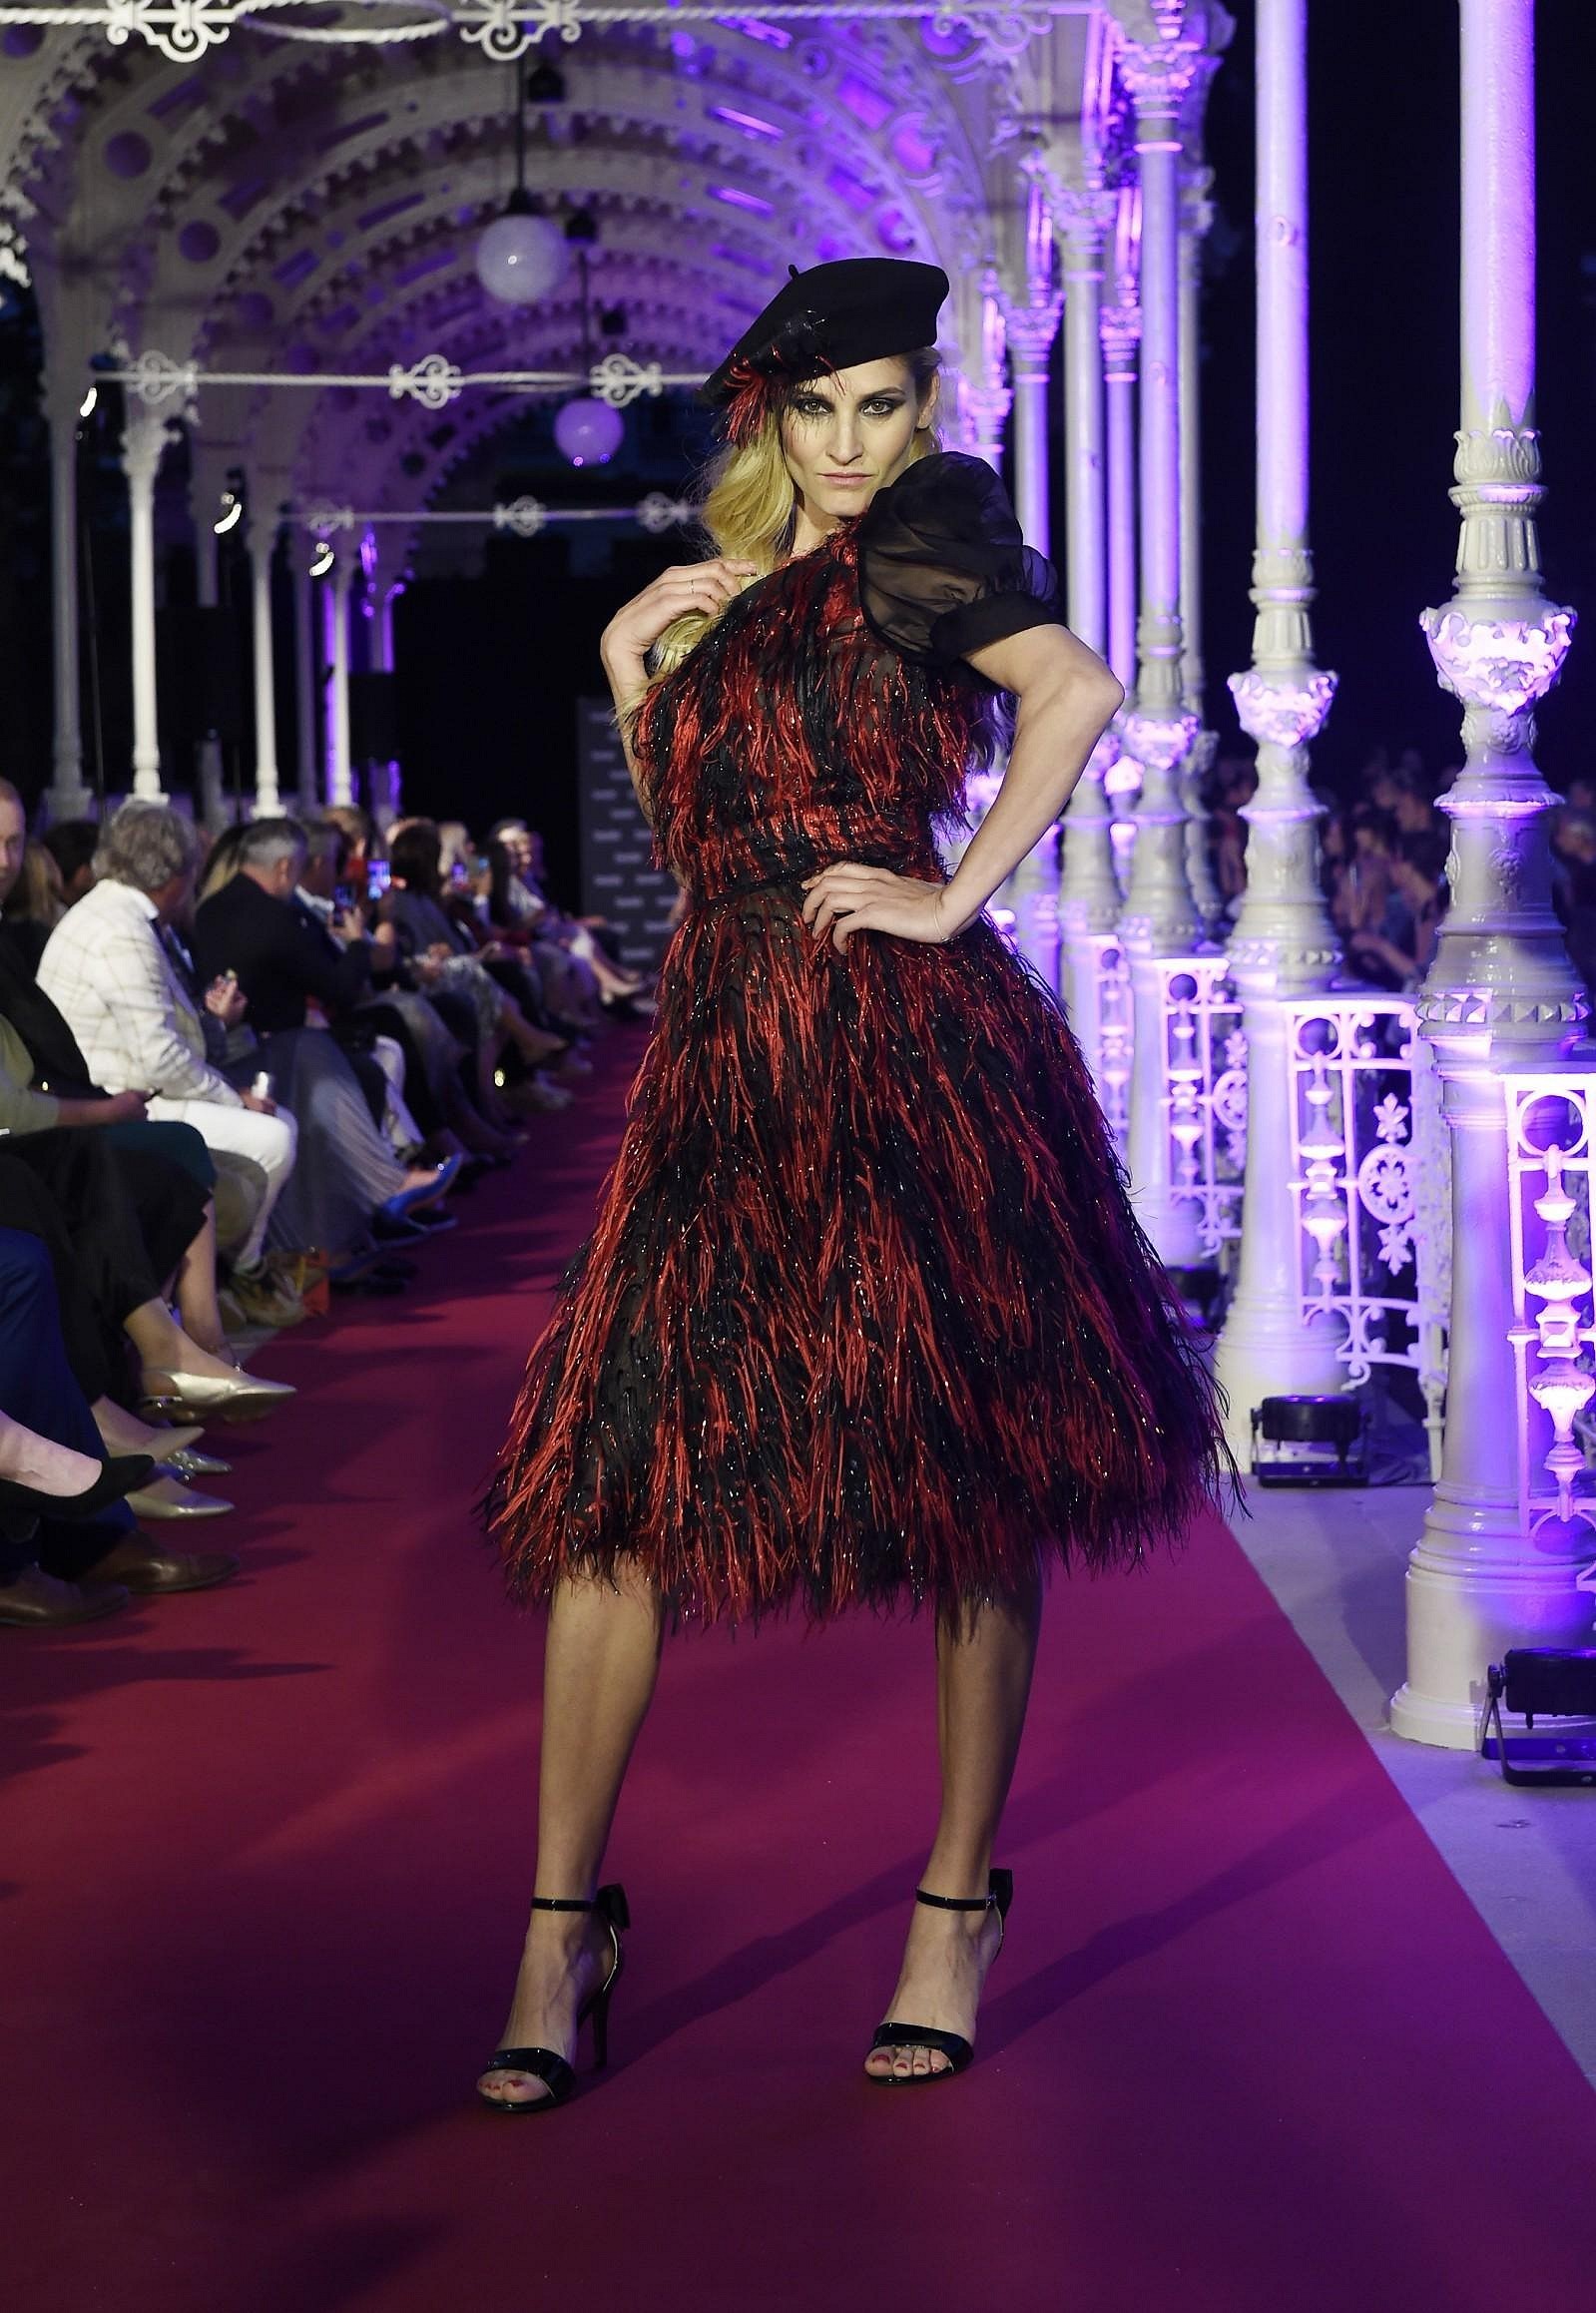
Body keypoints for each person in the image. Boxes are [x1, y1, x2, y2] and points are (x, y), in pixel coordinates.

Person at [476, 258, 1233, 2113]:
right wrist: (626, 668)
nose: (845, 444)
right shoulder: (725, 596)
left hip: (905, 1051)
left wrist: (952, 897)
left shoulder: (925, 538)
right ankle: (560, 1931)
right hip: (724, 1064)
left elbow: (1075, 690)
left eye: (878, 405)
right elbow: (700, 853)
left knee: (969, 1475)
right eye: (815, 411)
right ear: (764, 416)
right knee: (619, 1485)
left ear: (919, 409)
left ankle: (952, 1909)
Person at [37, 803, 299, 1281]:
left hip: (119, 1090)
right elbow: (159, 1060)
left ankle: (234, 1274)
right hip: (115, 1101)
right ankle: (245, 1274)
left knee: (276, 1122)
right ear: (174, 874)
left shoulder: (118, 914)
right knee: (275, 1135)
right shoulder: (120, 930)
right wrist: (232, 1099)